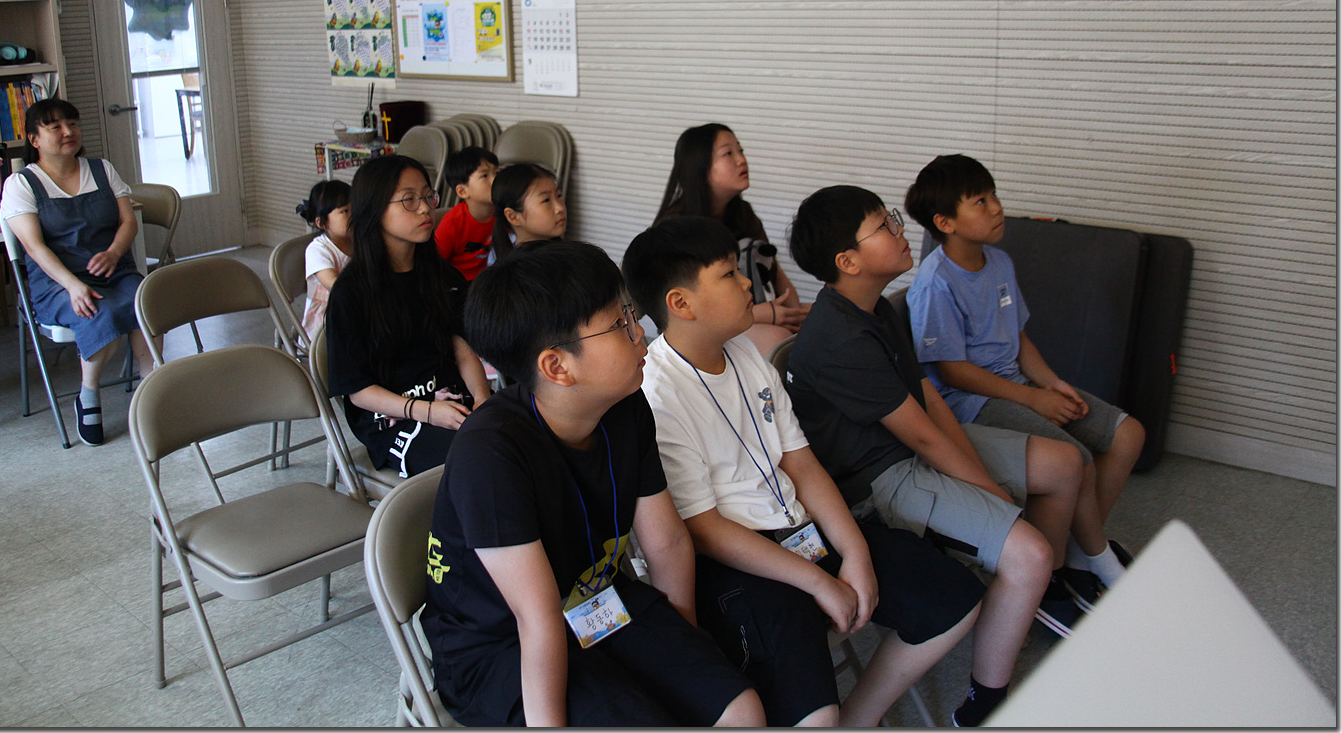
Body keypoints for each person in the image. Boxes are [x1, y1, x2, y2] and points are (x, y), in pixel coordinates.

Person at [623, 217, 984, 727]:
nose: (747, 283)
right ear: (681, 304)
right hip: (735, 560)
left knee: (955, 600)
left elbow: (802, 464)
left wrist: (855, 553)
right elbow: (703, 529)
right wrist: (818, 581)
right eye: (728, 274)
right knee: (813, 715)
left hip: (799, 530)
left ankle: (860, 718)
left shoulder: (744, 352)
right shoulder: (657, 395)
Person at [422, 239, 765, 727]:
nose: (640, 330)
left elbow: (667, 542)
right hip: (501, 645)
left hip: (597, 604)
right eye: (619, 324)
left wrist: (686, 652)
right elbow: (537, 620)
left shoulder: (625, 405)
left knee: (741, 709)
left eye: (629, 314)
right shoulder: (490, 453)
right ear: (557, 367)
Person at [784, 185, 1087, 726]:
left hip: (909, 447)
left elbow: (926, 398)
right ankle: (985, 701)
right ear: (848, 262)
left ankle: (1037, 598)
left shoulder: (877, 306)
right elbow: (922, 438)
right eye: (884, 226)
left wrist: (984, 486)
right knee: (1029, 553)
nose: (900, 229)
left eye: (891, 218)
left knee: (1065, 465)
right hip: (878, 480)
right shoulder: (838, 337)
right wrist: (991, 494)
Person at [904, 153, 1145, 608]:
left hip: (1016, 384)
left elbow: (1018, 337)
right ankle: (1087, 562)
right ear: (945, 222)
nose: (997, 207)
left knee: (1128, 434)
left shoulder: (998, 261)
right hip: (970, 401)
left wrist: (1051, 385)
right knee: (1076, 460)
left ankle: (1080, 552)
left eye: (993, 195)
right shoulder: (936, 283)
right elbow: (952, 371)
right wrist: (1032, 400)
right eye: (980, 201)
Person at [1, 98, 156, 447]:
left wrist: (114, 253)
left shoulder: (101, 169)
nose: (68, 132)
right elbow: (34, 247)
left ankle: (150, 388)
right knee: (97, 311)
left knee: (147, 303)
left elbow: (128, 222)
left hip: (115, 271)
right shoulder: (21, 184)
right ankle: (88, 393)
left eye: (72, 123)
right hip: (56, 282)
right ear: (34, 139)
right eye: (55, 126)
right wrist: (72, 285)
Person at [326, 154, 491, 478]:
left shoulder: (442, 276)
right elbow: (358, 390)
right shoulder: (351, 292)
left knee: (530, 436)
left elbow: (462, 348)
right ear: (374, 210)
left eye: (428, 196)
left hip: (452, 400)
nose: (425, 208)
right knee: (479, 461)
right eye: (409, 200)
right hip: (393, 418)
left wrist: (483, 399)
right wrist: (427, 411)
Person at [655, 123, 808, 355]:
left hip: (747, 314)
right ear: (700, 167)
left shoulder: (743, 214)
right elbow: (687, 308)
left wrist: (791, 310)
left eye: (741, 151)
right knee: (778, 339)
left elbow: (775, 274)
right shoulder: (674, 228)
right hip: (696, 330)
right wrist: (761, 314)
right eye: (728, 153)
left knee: (816, 320)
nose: (741, 160)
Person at [295, 178, 352, 341]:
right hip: (325, 326)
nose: (354, 215)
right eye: (345, 211)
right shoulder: (318, 250)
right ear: (321, 223)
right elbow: (335, 285)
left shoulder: (358, 241)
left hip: (352, 312)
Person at [434, 146, 498, 280]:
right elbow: (435, 262)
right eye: (484, 175)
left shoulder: (504, 213)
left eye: (497, 173)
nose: (495, 180)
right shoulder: (453, 222)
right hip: (459, 282)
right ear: (463, 191)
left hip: (489, 279)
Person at [489, 162, 566, 261]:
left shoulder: (567, 255)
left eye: (559, 195)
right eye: (546, 200)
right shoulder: (502, 261)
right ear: (513, 216)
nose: (560, 208)